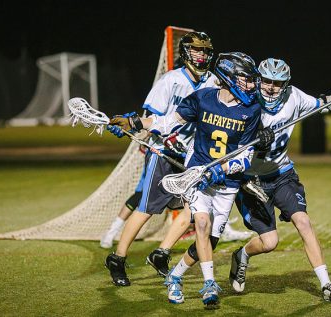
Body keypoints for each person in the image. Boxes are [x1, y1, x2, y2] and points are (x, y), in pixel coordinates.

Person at [112, 52, 262, 309]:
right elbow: (167, 122)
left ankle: (175, 275)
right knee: (201, 222)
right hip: (198, 173)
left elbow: (247, 156)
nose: (251, 85)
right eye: (245, 79)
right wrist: (134, 122)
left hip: (227, 183)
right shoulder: (203, 98)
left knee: (211, 239)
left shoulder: (251, 109)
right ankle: (209, 284)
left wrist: (223, 169)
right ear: (229, 77)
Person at [228, 58, 331, 302]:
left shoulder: (294, 97)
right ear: (257, 79)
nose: (271, 87)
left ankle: (327, 284)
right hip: (251, 181)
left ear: (286, 84)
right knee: (269, 243)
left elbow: (325, 103)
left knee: (303, 222)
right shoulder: (245, 101)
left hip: (282, 174)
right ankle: (241, 255)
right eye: (266, 81)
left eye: (277, 82)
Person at [104, 31, 217, 286]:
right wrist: (132, 125)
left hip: (192, 158)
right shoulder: (171, 80)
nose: (201, 55)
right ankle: (117, 258)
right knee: (147, 209)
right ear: (186, 52)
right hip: (163, 153)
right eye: (197, 50)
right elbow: (152, 118)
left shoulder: (214, 82)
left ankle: (160, 253)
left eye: (205, 51)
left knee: (194, 210)